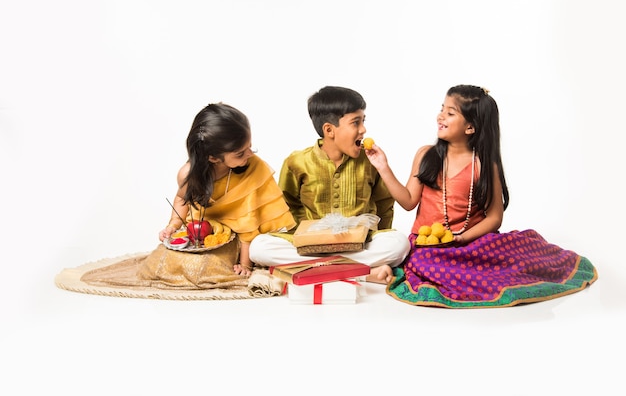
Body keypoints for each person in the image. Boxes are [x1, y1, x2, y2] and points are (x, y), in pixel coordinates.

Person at [364, 84, 598, 307]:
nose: (440, 116)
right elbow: (407, 201)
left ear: (470, 127)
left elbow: (494, 218)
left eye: (450, 113)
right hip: (429, 247)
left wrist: (463, 238)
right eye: (441, 109)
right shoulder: (426, 155)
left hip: (469, 243)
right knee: (420, 262)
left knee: (512, 262)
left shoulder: (483, 165)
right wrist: (383, 167)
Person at [249, 86, 410, 284]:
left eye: (363, 121)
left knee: (399, 243)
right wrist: (304, 238)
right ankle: (362, 272)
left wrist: (379, 236)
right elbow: (287, 206)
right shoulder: (297, 161)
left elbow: (384, 203)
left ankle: (315, 270)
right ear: (329, 130)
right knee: (259, 247)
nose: (363, 130)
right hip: (310, 247)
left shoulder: (370, 162)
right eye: (355, 122)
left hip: (360, 244)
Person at [158, 102, 296, 277]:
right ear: (213, 157)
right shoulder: (188, 175)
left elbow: (249, 223)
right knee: (169, 260)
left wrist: (245, 265)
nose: (250, 155)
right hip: (203, 232)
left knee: (251, 252)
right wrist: (173, 225)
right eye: (240, 153)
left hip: (244, 239)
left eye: (250, 147)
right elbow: (181, 199)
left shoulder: (253, 168)